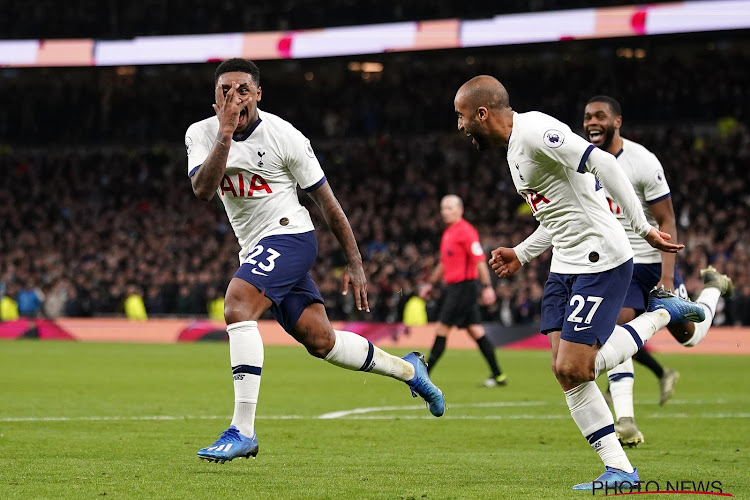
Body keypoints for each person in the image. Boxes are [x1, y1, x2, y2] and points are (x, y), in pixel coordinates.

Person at [185, 58, 444, 463]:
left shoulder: (285, 135)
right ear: (214, 97)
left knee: (237, 305)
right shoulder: (201, 134)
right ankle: (410, 370)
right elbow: (202, 190)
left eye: (242, 90)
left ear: (257, 94)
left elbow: (327, 202)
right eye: (224, 91)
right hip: (255, 247)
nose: (233, 97)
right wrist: (224, 134)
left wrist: (355, 261)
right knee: (322, 340)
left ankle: (243, 430)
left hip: (292, 235)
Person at [453, 75, 705, 490]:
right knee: (565, 371)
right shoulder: (514, 150)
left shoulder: (534, 130)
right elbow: (557, 217)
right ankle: (621, 471)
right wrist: (522, 252)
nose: (460, 126)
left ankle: (662, 313)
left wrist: (641, 227)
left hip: (601, 259)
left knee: (575, 365)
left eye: (462, 117)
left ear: (482, 113)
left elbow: (603, 163)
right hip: (565, 265)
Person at [583, 96, 734, 445]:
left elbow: (666, 219)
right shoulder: (584, 161)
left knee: (689, 337)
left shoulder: (642, 162)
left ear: (617, 121)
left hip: (653, 263)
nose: (592, 122)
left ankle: (712, 287)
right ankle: (626, 422)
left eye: (600, 116)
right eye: (588, 116)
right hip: (618, 264)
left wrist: (667, 277)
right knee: (616, 329)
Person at [420, 194, 506, 387]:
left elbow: (479, 260)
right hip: (455, 288)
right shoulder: (448, 233)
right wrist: (431, 284)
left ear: (460, 210)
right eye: (443, 208)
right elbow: (444, 263)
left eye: (450, 208)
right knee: (475, 330)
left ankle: (423, 374)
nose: (445, 212)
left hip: (464, 287)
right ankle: (498, 375)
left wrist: (486, 287)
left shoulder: (466, 231)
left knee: (442, 328)